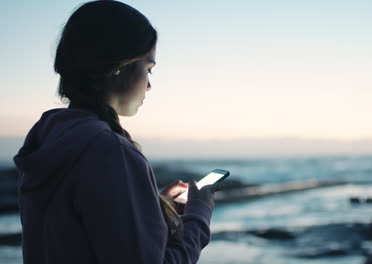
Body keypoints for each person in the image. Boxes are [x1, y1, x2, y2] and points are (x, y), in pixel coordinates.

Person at [13, 1, 221, 263]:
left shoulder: (49, 139)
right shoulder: (111, 152)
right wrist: (198, 215)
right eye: (148, 68)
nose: (149, 84)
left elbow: (74, 231)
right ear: (117, 66)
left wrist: (149, 206)